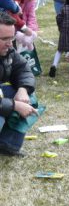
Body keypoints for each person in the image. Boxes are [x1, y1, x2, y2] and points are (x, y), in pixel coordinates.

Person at [0, 12, 37, 156]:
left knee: (29, 96)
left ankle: (7, 144)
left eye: (12, 37)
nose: (10, 44)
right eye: (4, 39)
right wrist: (15, 105)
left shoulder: (9, 51)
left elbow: (23, 69)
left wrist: (22, 90)